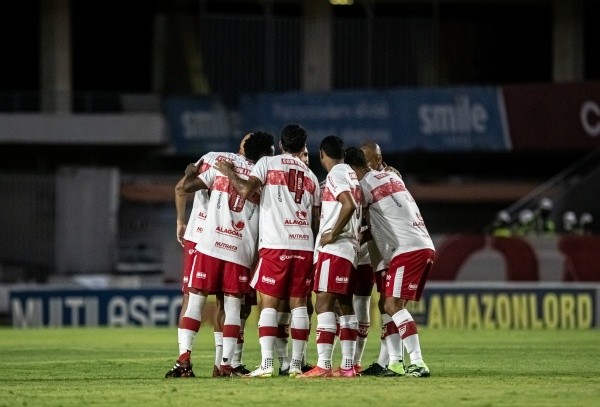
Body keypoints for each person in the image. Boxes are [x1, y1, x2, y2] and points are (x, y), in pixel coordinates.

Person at [215, 124, 321, 377]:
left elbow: (244, 190)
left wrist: (230, 172)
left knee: (269, 305)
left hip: (276, 244)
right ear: (304, 147)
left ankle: (266, 365)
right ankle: (295, 365)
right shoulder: (312, 176)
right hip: (304, 245)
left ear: (282, 145)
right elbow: (316, 219)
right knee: (299, 305)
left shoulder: (268, 164)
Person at [164, 133, 273, 378]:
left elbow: (184, 187)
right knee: (233, 305)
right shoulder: (265, 178)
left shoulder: (220, 164)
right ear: (266, 154)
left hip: (210, 243)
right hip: (240, 249)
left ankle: (184, 361)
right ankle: (225, 365)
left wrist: (192, 172)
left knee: (195, 300)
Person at [346, 147, 435, 378]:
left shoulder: (363, 186)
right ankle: (395, 362)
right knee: (390, 305)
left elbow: (352, 213)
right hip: (420, 244)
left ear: (351, 169)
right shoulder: (392, 176)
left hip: (407, 249)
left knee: (392, 306)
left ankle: (418, 362)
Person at [299, 135, 362, 378]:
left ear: (322, 155)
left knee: (323, 303)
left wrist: (332, 234)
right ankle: (348, 366)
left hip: (336, 249)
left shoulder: (336, 174)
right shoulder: (351, 175)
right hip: (350, 251)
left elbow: (348, 205)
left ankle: (323, 365)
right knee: (345, 305)